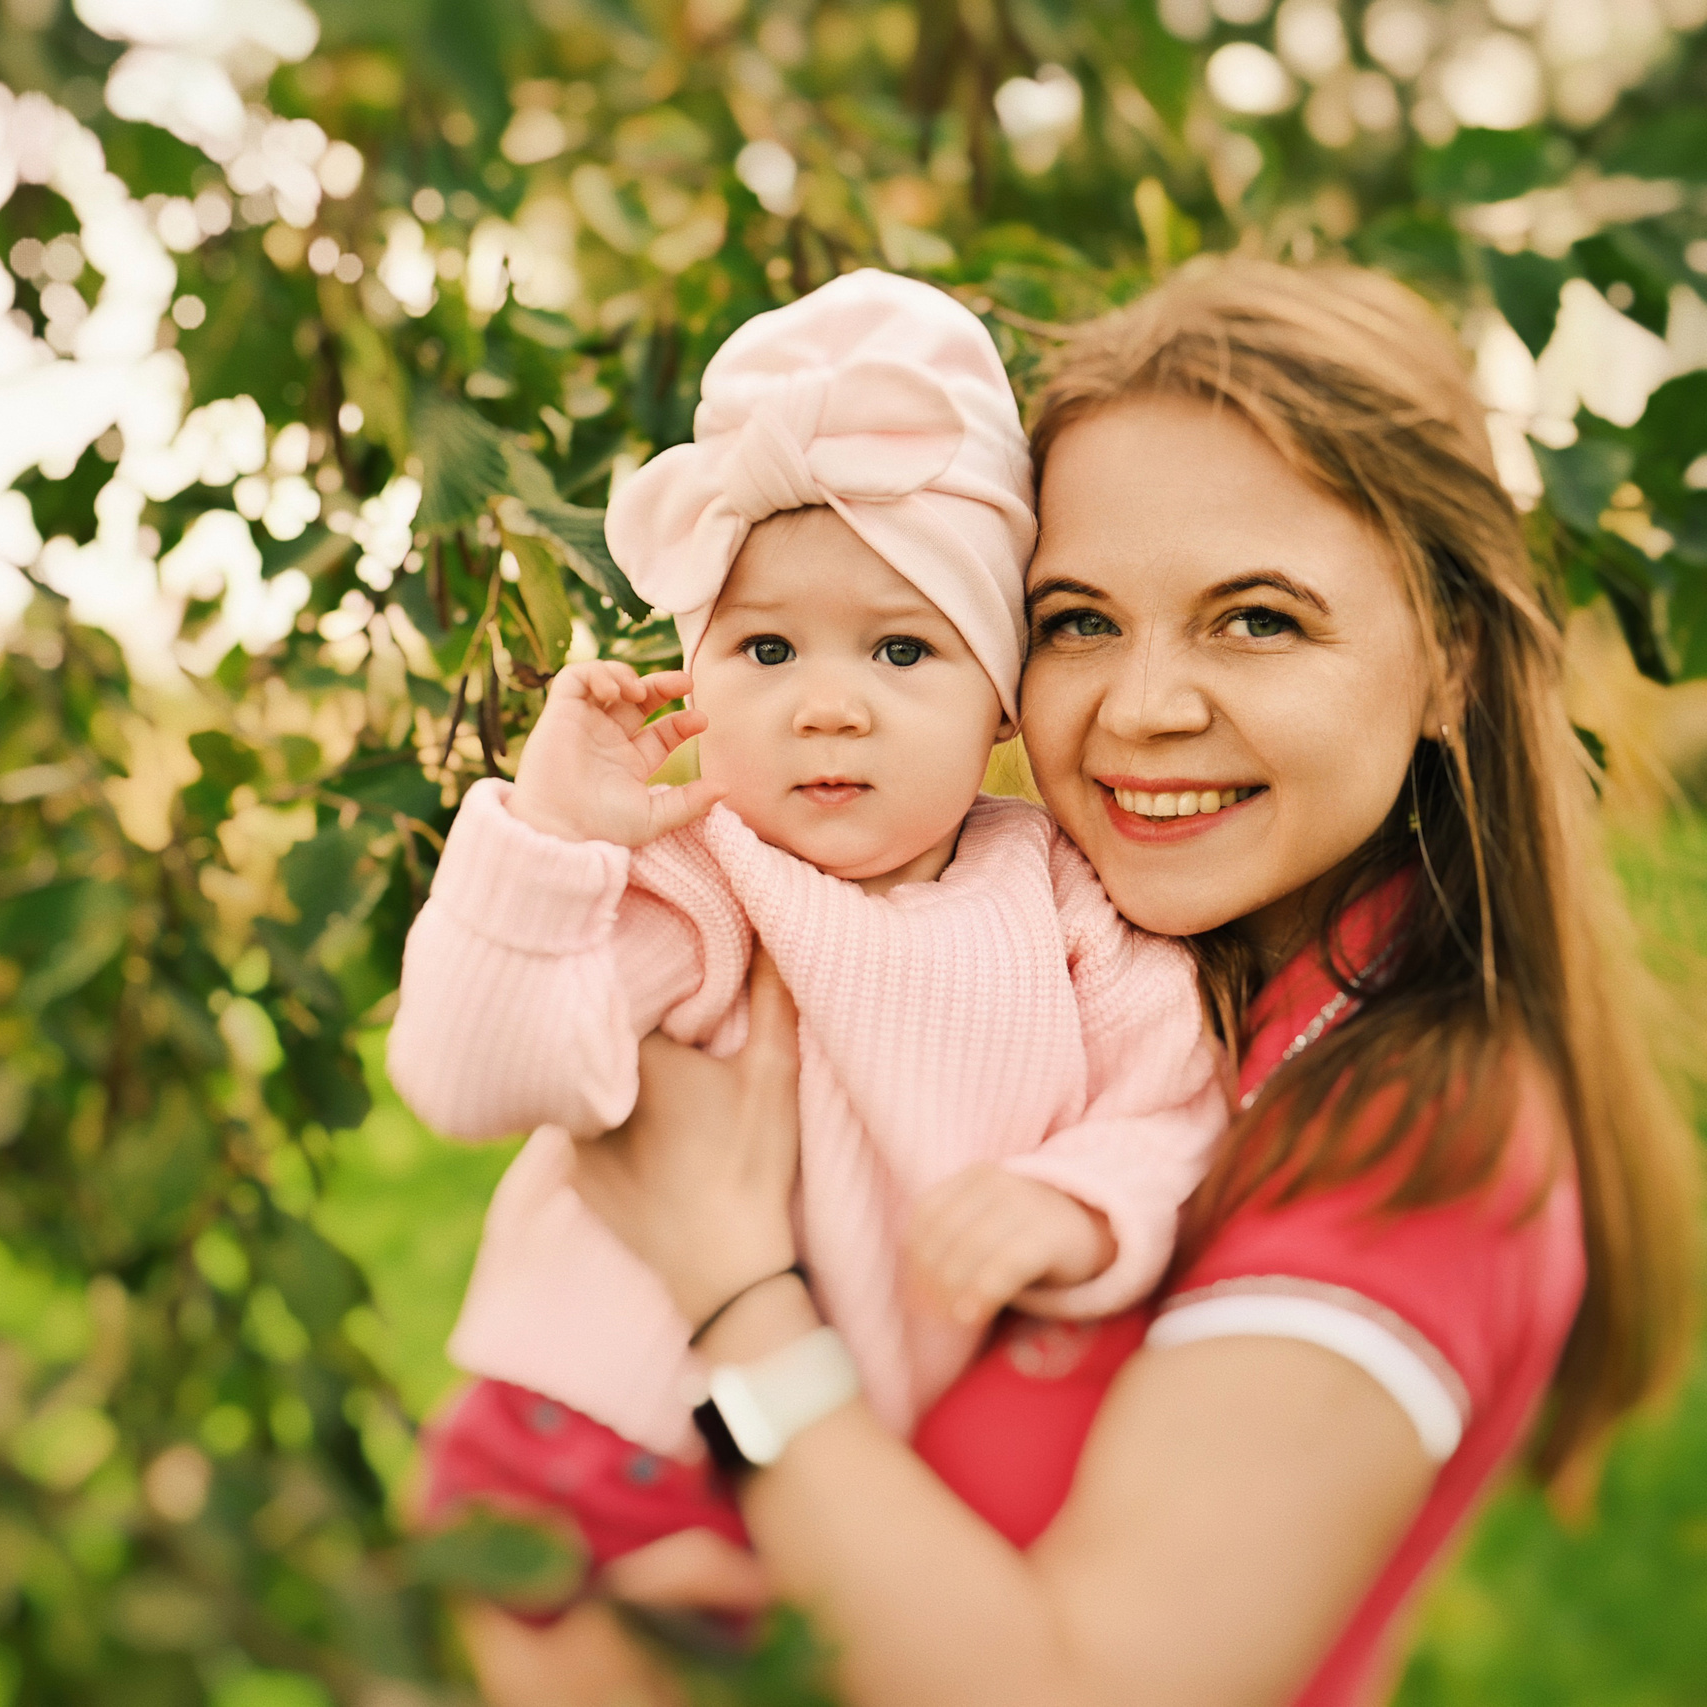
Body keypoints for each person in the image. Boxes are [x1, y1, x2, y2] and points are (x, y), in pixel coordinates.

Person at [471, 259, 1699, 1706]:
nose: (1143, 708)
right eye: (1080, 621)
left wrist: (732, 1288)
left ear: (1449, 662)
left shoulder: (1421, 1149)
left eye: (1258, 619)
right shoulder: (1128, 988)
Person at [386, 272, 1226, 1606]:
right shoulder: (705, 876)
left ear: (1002, 699)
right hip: (586, 1445)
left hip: (812, 1488)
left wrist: (1076, 1204)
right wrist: (553, 841)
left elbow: (1175, 1105)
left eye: (900, 654)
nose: (828, 708)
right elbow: (468, 1074)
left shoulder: (1062, 898)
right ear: (694, 671)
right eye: (767, 650)